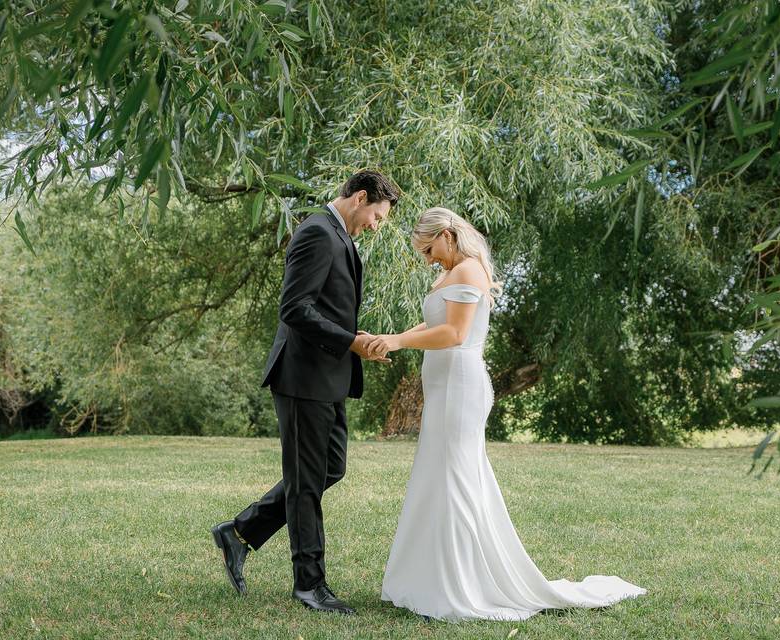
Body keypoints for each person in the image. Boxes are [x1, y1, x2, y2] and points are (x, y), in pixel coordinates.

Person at [369, 206, 647, 621]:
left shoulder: (470, 271)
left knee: (458, 478)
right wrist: (391, 340)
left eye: (428, 249)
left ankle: (464, 583)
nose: (427, 259)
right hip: (442, 385)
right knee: (436, 476)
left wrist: (398, 341)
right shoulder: (447, 273)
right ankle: (430, 579)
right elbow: (431, 328)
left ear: (447, 234)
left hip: (461, 386)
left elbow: (454, 334)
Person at [210, 170, 401, 616]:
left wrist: (354, 337)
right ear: (358, 198)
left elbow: (327, 306)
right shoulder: (317, 231)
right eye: (376, 215)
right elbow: (295, 308)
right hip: (302, 379)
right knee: (306, 486)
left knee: (329, 469)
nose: (376, 225)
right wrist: (350, 341)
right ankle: (309, 585)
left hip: (327, 377)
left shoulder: (340, 235)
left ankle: (239, 532)